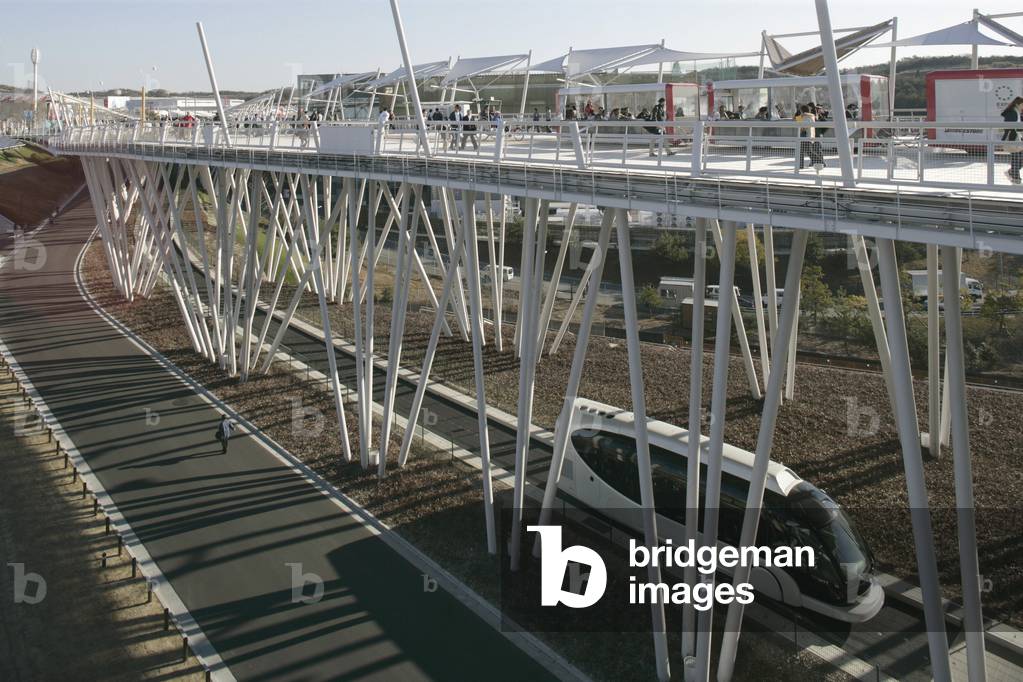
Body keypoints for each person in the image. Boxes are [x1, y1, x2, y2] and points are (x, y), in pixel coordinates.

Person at [795, 104, 825, 170]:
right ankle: (800, 165)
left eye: (800, 110)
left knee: (807, 151)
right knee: (804, 151)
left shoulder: (806, 117)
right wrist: (799, 117)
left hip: (805, 136)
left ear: (802, 110)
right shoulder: (811, 116)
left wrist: (799, 118)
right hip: (809, 135)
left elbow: (803, 127)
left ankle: (821, 161)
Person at [1002, 96, 1023, 184]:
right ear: (1018, 104)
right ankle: (1016, 178)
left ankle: (1012, 172)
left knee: (1018, 157)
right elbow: (1010, 126)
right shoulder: (1012, 112)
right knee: (1016, 157)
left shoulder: (1017, 112)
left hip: (1017, 137)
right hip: (1012, 138)